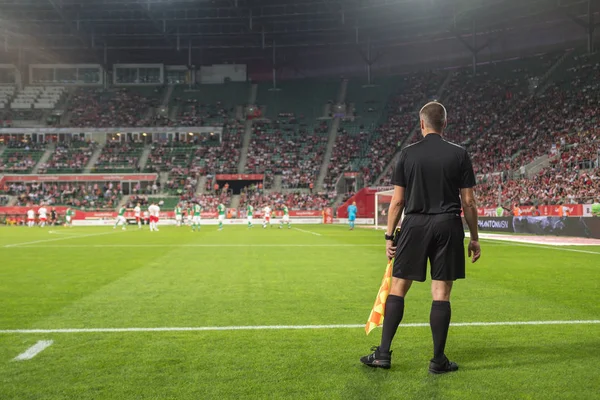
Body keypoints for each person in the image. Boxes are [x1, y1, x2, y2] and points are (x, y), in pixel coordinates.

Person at [360, 101, 481, 374]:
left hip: (414, 225)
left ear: (422, 123)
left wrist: (390, 236)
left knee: (398, 287)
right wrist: (474, 237)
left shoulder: (407, 154)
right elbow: (469, 202)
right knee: (441, 293)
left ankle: (382, 354)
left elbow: (397, 202)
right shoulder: (460, 154)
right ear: (445, 124)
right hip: (448, 225)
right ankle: (438, 360)